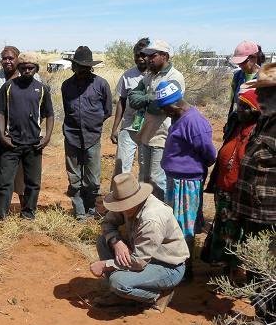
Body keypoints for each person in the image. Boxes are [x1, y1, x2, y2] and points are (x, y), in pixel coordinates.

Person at [90, 173, 189, 313]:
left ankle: (158, 296)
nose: (122, 209)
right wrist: (116, 242)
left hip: (167, 267)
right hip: (142, 255)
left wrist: (106, 265)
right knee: (103, 242)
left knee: (118, 282)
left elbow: (138, 262)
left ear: (136, 199)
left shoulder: (152, 219)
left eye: (124, 205)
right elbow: (107, 223)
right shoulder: (127, 205)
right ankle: (121, 295)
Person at [156, 81, 216, 279]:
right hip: (176, 179)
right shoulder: (179, 118)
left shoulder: (194, 122)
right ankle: (178, 264)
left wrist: (193, 170)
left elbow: (209, 154)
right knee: (175, 224)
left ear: (174, 105)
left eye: (165, 109)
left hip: (187, 182)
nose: (164, 113)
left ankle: (185, 270)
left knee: (185, 226)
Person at [204, 88, 261, 282]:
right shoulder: (235, 125)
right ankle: (221, 271)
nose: (239, 110)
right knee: (223, 230)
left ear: (255, 110)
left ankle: (237, 272)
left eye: (244, 107)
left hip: (242, 193)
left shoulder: (258, 132)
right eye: (238, 106)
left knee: (240, 233)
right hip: (224, 189)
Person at [0, 52, 54, 220]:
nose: (27, 70)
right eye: (24, 67)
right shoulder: (9, 87)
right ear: (19, 68)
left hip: (34, 144)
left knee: (33, 183)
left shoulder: (41, 89)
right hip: (11, 143)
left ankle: (28, 214)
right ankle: (1, 216)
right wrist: (2, 134)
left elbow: (49, 114)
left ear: (36, 69)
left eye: (31, 68)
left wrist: (47, 137)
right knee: (5, 181)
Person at [128, 39, 185, 200]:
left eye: (152, 55)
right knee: (144, 178)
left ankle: (159, 217)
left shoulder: (175, 77)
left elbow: (158, 106)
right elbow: (132, 98)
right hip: (146, 134)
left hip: (163, 137)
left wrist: (146, 100)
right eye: (147, 55)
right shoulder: (150, 75)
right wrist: (150, 98)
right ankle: (144, 215)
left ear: (165, 56)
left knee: (157, 180)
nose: (147, 59)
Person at [61, 45, 112, 220]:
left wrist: (94, 123)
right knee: (74, 178)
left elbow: (107, 111)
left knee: (93, 179)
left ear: (91, 67)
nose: (82, 70)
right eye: (78, 66)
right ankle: (80, 212)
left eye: (85, 67)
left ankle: (92, 209)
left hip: (93, 137)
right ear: (73, 66)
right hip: (71, 136)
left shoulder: (101, 84)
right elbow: (68, 109)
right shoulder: (66, 86)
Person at [232, 63, 276, 243]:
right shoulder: (265, 120)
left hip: (269, 214)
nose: (257, 95)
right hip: (253, 211)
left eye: (264, 92)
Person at [110, 38, 150, 178]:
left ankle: (144, 199)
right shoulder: (128, 75)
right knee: (122, 167)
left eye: (143, 55)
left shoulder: (156, 75)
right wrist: (115, 128)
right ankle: (118, 198)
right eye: (136, 55)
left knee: (146, 170)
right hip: (129, 125)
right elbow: (121, 102)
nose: (139, 59)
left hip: (149, 128)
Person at [224, 40, 264, 136]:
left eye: (243, 62)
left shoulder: (266, 78)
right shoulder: (237, 76)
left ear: (254, 58)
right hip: (240, 122)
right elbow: (234, 102)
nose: (240, 65)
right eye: (239, 62)